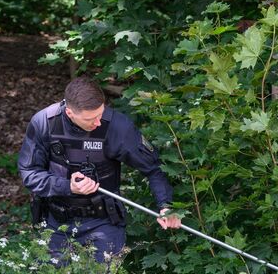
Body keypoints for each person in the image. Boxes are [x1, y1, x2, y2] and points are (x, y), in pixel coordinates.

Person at [18, 76, 181, 263]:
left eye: (100, 114)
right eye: (90, 119)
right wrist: (67, 186)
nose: (98, 123)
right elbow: (29, 173)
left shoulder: (118, 127)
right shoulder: (44, 123)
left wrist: (166, 206)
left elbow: (153, 168)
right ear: (70, 113)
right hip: (56, 222)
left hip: (104, 222)